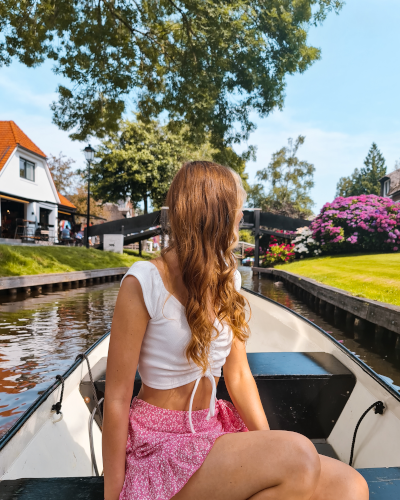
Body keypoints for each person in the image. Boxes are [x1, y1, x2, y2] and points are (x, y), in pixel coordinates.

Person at [103, 161, 368, 500]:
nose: (242, 219)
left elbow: (239, 375)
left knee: (350, 487)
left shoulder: (229, 280)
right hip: (159, 444)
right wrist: (113, 495)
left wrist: (270, 448)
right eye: (238, 210)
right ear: (216, 216)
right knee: (299, 457)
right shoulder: (143, 281)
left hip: (211, 431)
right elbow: (116, 398)